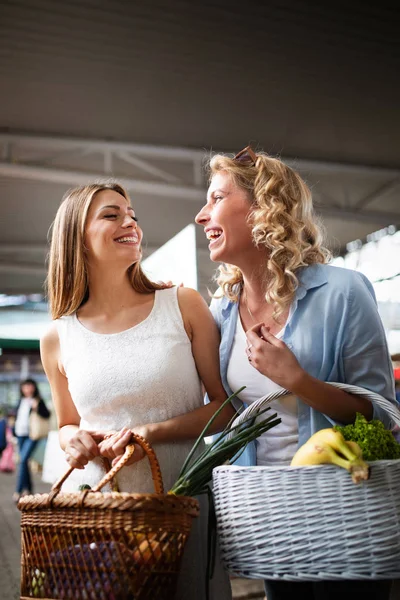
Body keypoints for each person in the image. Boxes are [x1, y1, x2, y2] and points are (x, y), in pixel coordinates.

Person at [194, 145, 397, 600]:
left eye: (216, 198)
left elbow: (381, 418)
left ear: (263, 207)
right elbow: (219, 414)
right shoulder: (222, 311)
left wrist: (300, 382)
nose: (201, 214)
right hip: (270, 520)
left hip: (348, 515)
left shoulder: (343, 291)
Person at [40, 182, 234, 600]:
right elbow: (66, 424)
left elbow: (224, 409)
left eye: (133, 215)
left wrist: (152, 431)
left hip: (181, 505)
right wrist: (70, 438)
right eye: (112, 215)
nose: (131, 223)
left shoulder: (182, 304)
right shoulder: (57, 336)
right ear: (77, 236)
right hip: (99, 515)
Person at [13, 378, 50, 501]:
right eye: (25, 386)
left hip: (32, 435)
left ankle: (18, 491)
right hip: (20, 434)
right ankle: (28, 489)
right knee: (24, 462)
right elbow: (17, 417)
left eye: (29, 386)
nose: (27, 388)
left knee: (23, 460)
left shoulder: (38, 401)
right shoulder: (21, 401)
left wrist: (37, 408)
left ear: (34, 387)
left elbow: (47, 415)